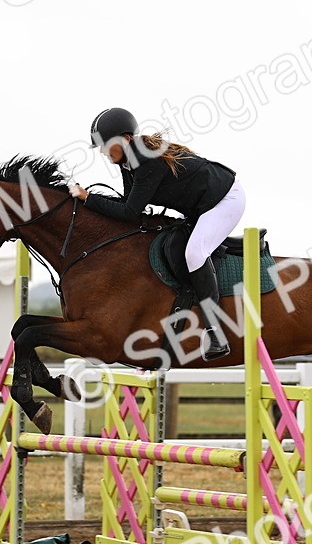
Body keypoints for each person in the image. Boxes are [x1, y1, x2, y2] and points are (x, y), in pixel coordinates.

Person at [69, 107, 245, 361]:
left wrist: (88, 198)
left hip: (225, 199)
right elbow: (130, 206)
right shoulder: (128, 161)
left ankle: (216, 334)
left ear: (125, 139)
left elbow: (129, 212)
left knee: (194, 253)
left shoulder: (146, 160)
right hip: (200, 206)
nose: (103, 152)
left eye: (106, 145)